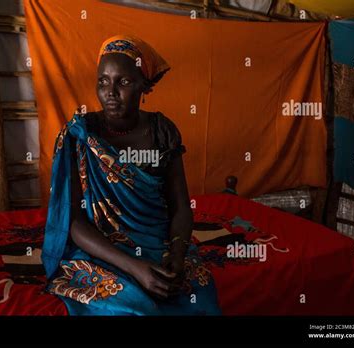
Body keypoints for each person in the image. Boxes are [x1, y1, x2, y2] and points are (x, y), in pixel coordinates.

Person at [42, 34, 221, 315]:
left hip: (157, 244)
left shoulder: (162, 132)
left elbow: (181, 207)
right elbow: (74, 222)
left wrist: (176, 254)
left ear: (143, 86)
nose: (110, 92)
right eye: (103, 81)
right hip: (102, 250)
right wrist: (136, 268)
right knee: (135, 309)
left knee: (201, 300)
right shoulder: (80, 135)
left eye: (123, 82)